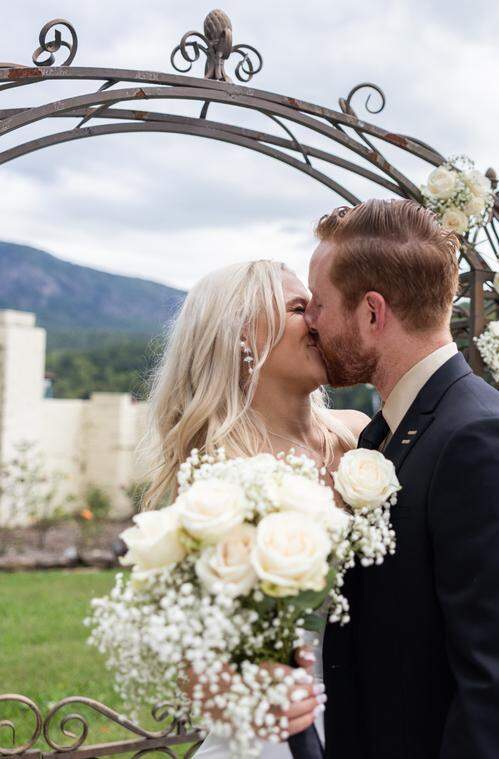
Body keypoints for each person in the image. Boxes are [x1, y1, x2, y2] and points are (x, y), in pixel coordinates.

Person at [297, 198, 499, 758]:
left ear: (372, 313)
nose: (311, 322)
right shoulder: (392, 430)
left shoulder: (482, 441)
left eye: (321, 305)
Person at [138, 259, 368, 758]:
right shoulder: (215, 481)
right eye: (299, 308)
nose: (319, 321)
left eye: (318, 307)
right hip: (283, 736)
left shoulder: (360, 436)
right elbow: (196, 665)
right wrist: (244, 698)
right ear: (243, 335)